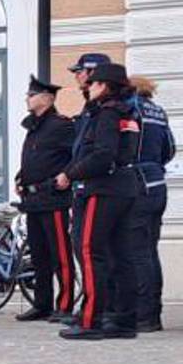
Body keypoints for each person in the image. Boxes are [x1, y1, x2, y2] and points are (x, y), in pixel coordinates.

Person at [55, 63, 142, 340]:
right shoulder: (129, 113)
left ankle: (91, 320)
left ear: (104, 86)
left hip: (103, 189)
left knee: (91, 251)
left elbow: (103, 155)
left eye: (92, 83)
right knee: (121, 254)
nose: (88, 87)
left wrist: (69, 174)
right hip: (126, 188)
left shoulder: (106, 114)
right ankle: (125, 320)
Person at [14, 76, 76, 323]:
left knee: (60, 255)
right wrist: (20, 178)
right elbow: (31, 160)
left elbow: (77, 154)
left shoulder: (61, 125)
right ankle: (42, 304)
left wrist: (67, 175)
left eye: (31, 95)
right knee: (39, 256)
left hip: (53, 199)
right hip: (33, 200)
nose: (27, 98)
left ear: (47, 99)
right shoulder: (34, 126)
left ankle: (65, 305)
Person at [126, 76, 175, 332]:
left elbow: (126, 147)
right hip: (158, 184)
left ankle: (144, 315)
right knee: (150, 250)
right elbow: (169, 150)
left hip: (138, 184)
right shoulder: (159, 111)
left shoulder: (131, 107)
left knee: (137, 251)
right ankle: (153, 312)